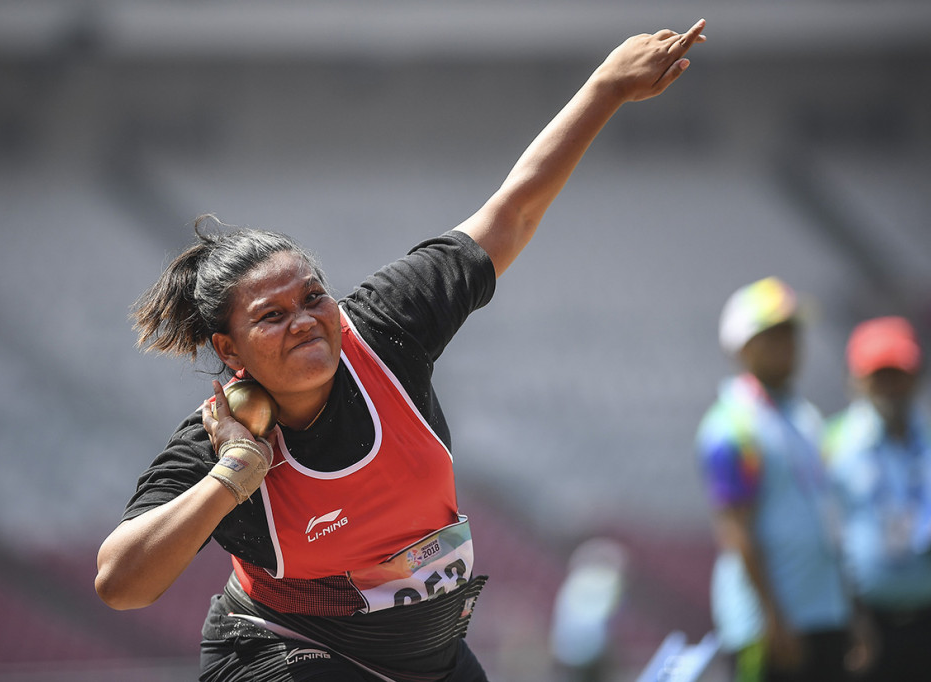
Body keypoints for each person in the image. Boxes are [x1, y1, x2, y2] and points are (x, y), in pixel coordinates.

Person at [94, 19, 707, 682]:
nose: (305, 321)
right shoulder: (221, 438)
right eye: (272, 316)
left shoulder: (385, 326)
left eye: (312, 297)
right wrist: (234, 476)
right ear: (227, 347)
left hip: (429, 658)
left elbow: (512, 215)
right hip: (282, 649)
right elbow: (122, 584)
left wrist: (607, 87)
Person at [695, 277, 855, 682]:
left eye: (792, 332)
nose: (788, 344)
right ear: (743, 347)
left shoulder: (805, 417)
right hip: (769, 626)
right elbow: (736, 531)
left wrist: (851, 608)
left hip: (823, 612)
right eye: (774, 334)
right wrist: (772, 619)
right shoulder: (732, 427)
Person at [825, 316, 931, 681]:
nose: (889, 386)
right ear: (855, 379)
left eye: (897, 373)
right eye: (878, 374)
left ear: (916, 374)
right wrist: (851, 617)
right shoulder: (833, 442)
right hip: (867, 625)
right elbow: (826, 542)